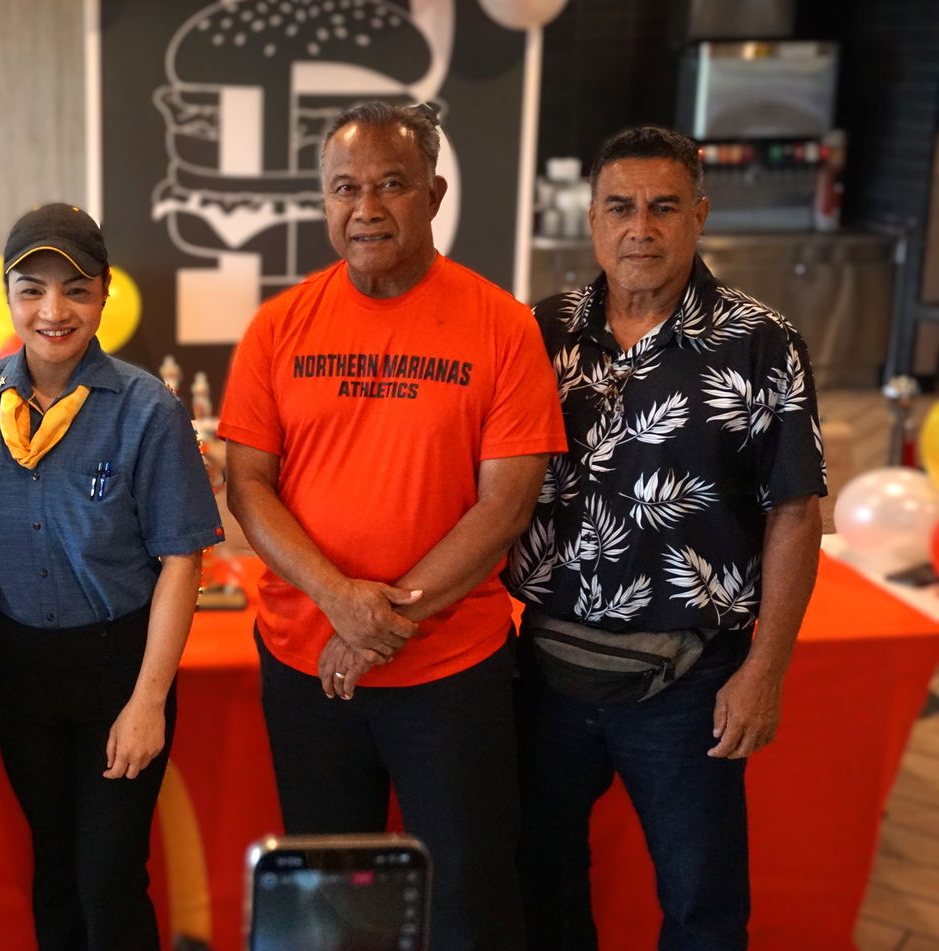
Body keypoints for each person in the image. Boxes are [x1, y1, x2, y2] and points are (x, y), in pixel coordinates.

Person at [217, 101, 567, 951]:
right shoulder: (277, 326)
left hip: (450, 671)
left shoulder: (502, 325)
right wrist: (340, 600)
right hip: (307, 664)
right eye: (345, 188)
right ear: (323, 201)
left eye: (391, 184)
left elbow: (505, 506)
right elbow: (249, 485)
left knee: (467, 896)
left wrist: (380, 620)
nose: (366, 207)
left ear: (435, 193)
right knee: (329, 901)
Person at [503, 126, 826, 951]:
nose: (639, 227)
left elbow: (795, 513)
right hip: (545, 671)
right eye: (620, 207)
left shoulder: (760, 342)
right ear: (592, 219)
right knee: (539, 886)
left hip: (689, 681)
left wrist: (766, 669)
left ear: (699, 216)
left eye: (663, 207)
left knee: (702, 906)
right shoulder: (543, 331)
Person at [0, 203, 222, 951]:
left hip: (119, 666)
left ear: (104, 295)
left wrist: (148, 701)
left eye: (75, 289)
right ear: (7, 295)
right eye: (31, 289)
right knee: (56, 872)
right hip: (23, 666)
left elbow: (181, 560)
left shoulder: (147, 409)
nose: (53, 310)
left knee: (109, 875)